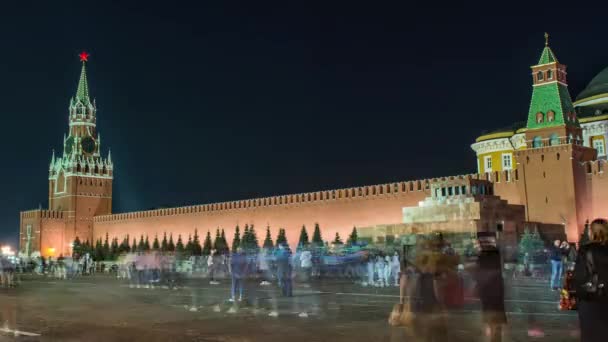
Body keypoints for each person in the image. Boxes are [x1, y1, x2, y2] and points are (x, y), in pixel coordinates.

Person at [574, 218, 608, 342]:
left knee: (591, 334)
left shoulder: (586, 250)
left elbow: (580, 276)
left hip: (591, 300)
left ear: (592, 232)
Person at [475, 232, 506, 342]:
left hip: (489, 290)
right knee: (496, 319)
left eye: (478, 243)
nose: (477, 245)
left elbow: (481, 272)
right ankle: (496, 337)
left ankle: (494, 337)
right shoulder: (494, 253)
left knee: (492, 318)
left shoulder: (485, 254)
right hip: (495, 289)